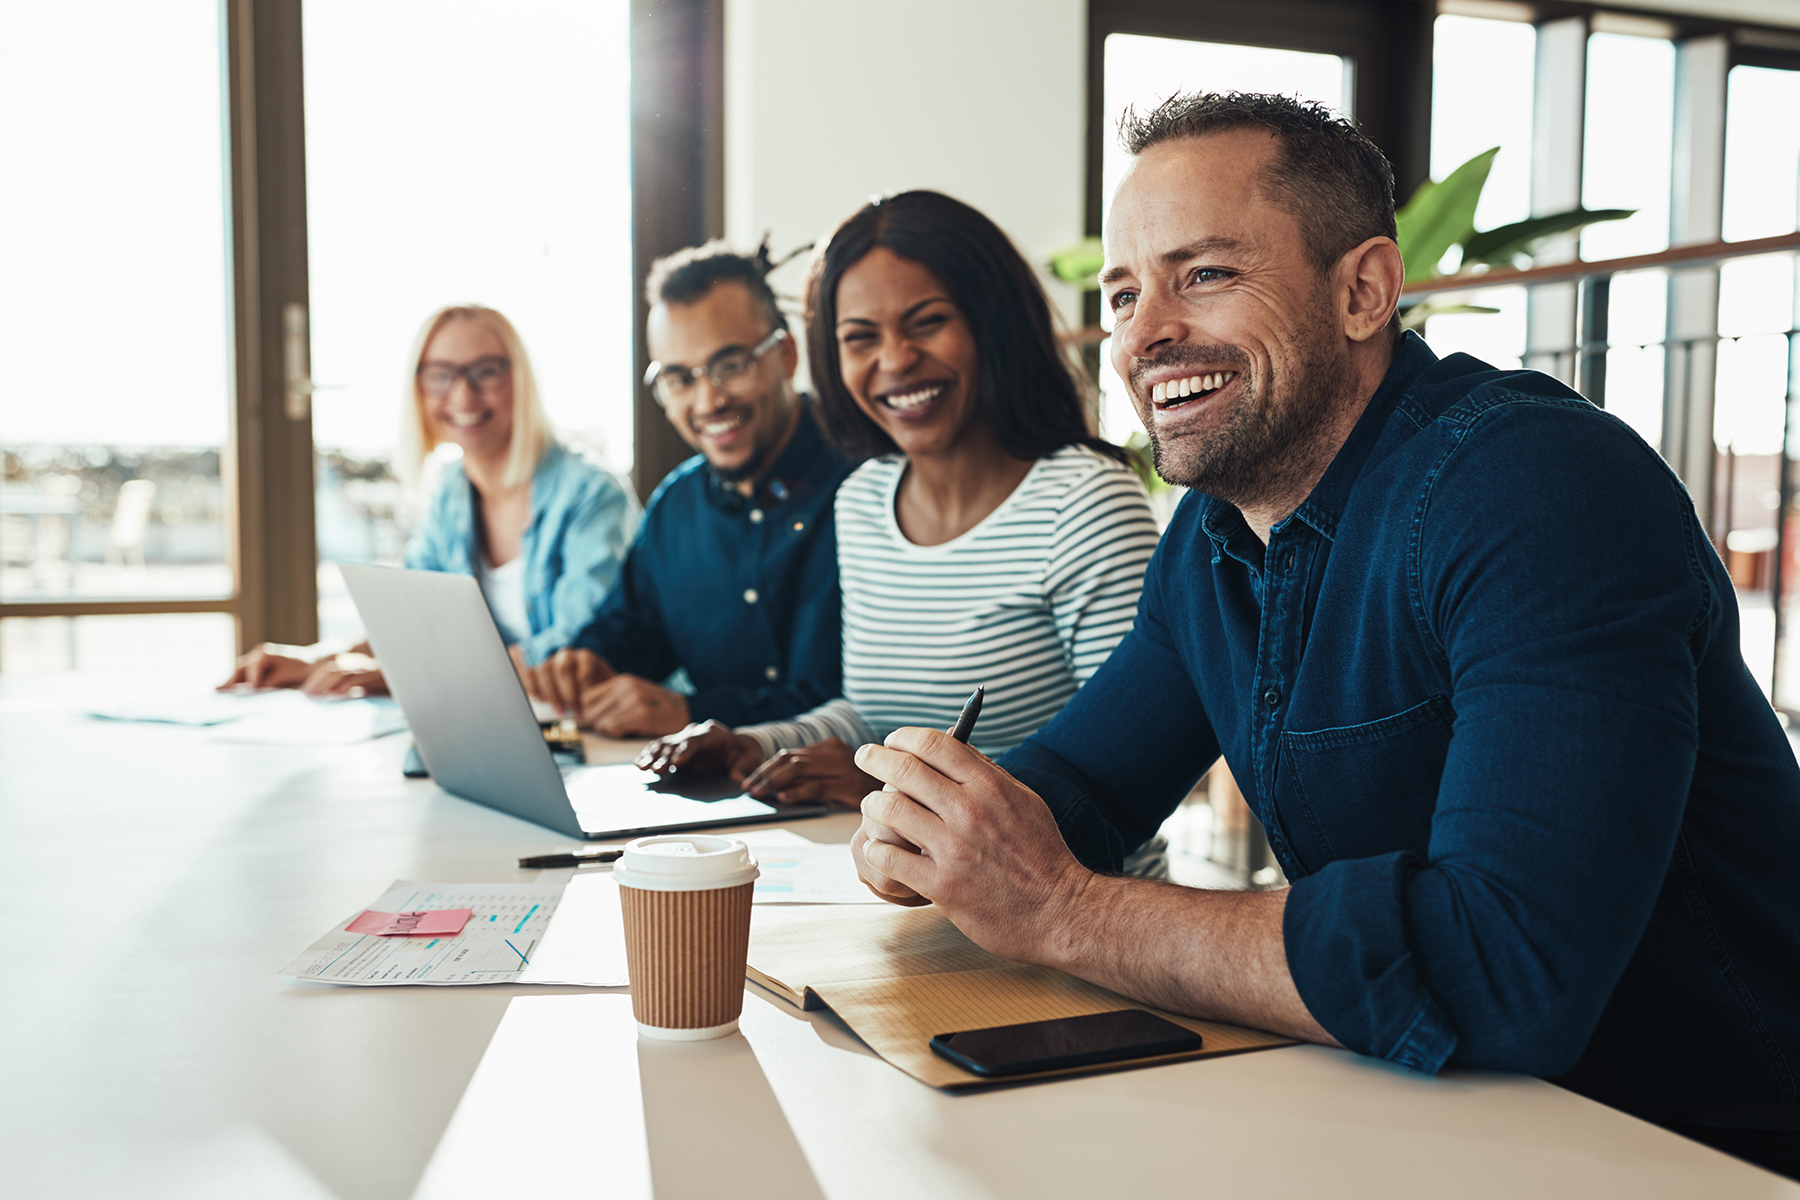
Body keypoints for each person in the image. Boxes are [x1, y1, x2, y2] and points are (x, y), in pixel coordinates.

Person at [845, 93, 1800, 1179]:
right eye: (1123, 292)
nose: (1146, 332)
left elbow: (1503, 970)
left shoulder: (1535, 487)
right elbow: (1082, 784)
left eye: (1203, 273)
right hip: (1430, 1116)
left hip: (1701, 1145)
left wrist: (1060, 908)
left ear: (1363, 291)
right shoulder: (1211, 536)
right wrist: (948, 828)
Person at [636, 192, 1160, 824]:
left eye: (927, 322)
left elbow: (1128, 769)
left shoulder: (1084, 501)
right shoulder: (862, 499)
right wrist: (753, 742)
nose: (894, 360)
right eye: (860, 338)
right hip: (900, 887)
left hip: (1065, 908)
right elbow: (868, 715)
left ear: (989, 323)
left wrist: (896, 793)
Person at [515, 242, 855, 738]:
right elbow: (630, 630)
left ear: (785, 355)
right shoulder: (676, 507)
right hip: (713, 798)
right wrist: (588, 663)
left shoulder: (869, 488)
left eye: (731, 365)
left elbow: (868, 705)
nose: (708, 400)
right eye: (678, 378)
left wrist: (692, 712)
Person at [221, 304, 637, 696]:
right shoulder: (451, 491)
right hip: (493, 721)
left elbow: (578, 652)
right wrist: (318, 658)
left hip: (591, 727)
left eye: (486, 372)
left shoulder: (591, 494)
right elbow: (415, 621)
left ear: (520, 378)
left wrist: (401, 676)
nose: (463, 396)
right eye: (441, 374)